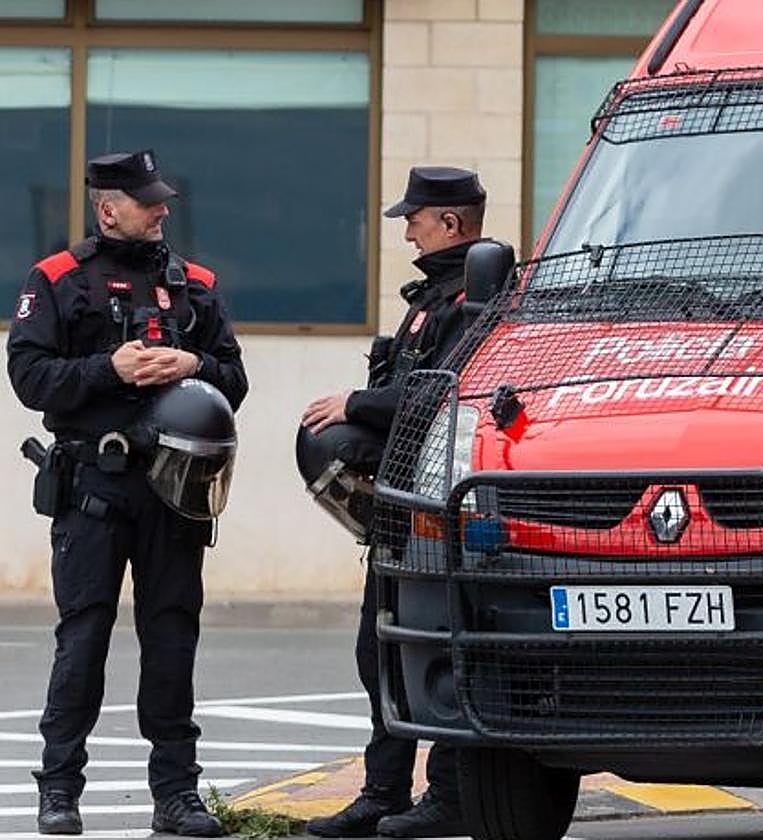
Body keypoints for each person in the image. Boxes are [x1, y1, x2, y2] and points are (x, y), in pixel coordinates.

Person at [7, 150, 249, 837]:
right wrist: (108, 368)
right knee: (81, 641)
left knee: (172, 641)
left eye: (163, 197)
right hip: (93, 490)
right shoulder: (57, 280)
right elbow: (29, 379)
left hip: (174, 495)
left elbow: (234, 378)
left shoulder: (195, 285)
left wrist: (193, 361)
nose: (163, 208)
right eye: (148, 200)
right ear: (108, 207)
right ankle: (59, 789)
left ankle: (177, 794)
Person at [302, 166, 489, 839]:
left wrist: (354, 404)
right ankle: (382, 792)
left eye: (416, 217)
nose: (407, 228)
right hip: (402, 504)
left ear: (452, 223)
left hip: (444, 509)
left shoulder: (478, 297)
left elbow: (444, 391)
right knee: (379, 651)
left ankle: (448, 795)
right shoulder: (432, 296)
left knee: (436, 648)